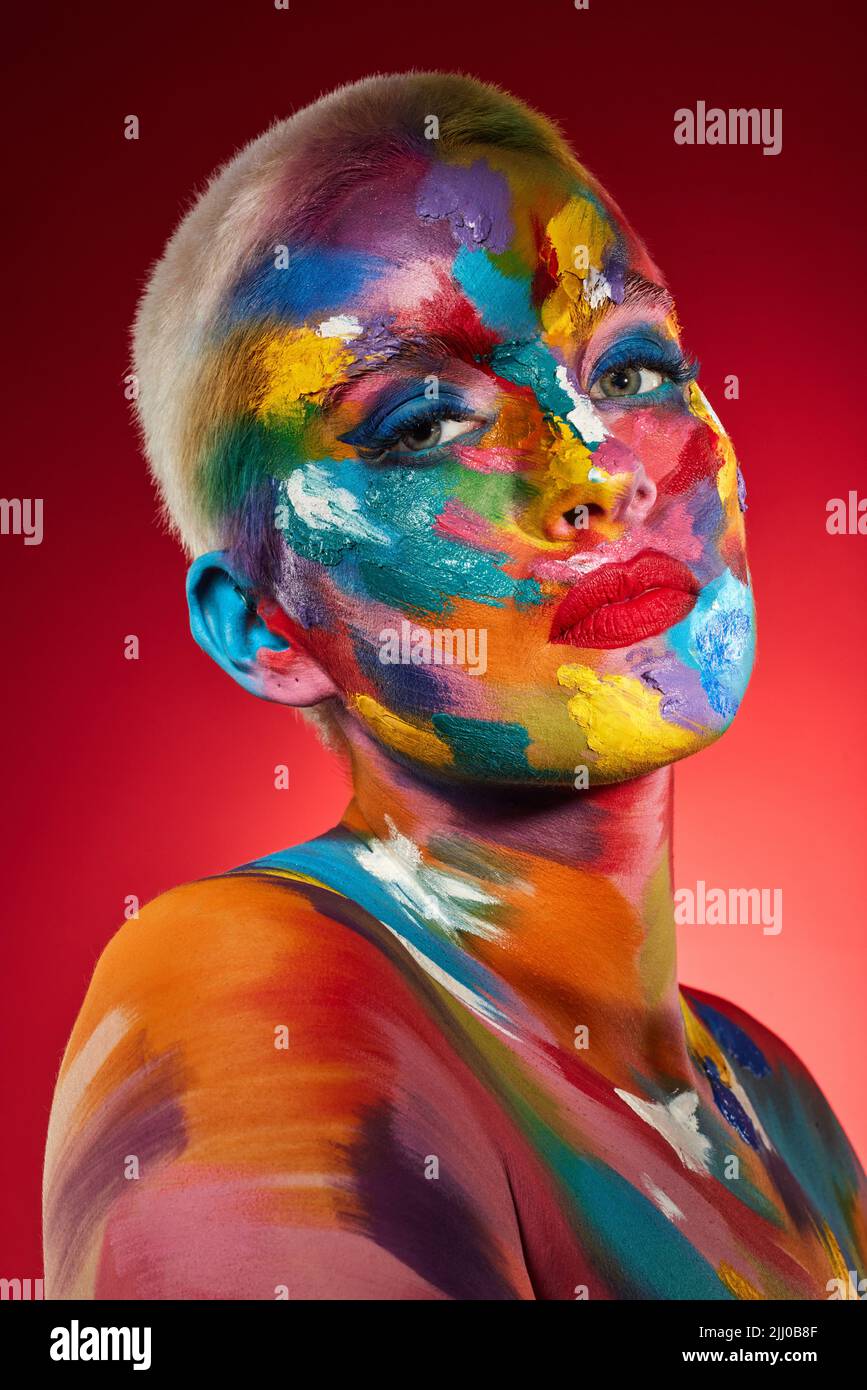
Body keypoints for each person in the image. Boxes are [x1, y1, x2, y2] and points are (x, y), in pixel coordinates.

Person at [43, 71, 866, 1300]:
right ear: (266, 624)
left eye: (634, 368)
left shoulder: (777, 1099)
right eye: (423, 422)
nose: (599, 469)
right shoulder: (238, 987)